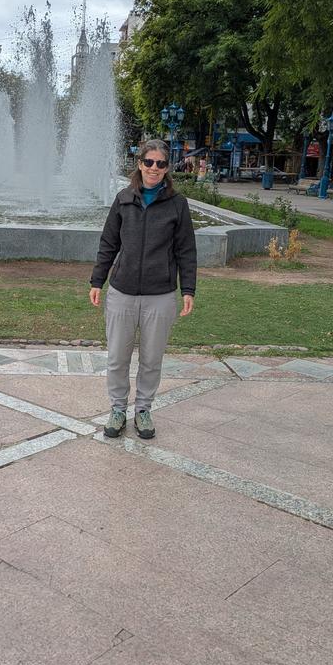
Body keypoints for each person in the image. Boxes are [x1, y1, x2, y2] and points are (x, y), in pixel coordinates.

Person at [89, 138, 197, 440]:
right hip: (122, 292)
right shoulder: (123, 199)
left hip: (160, 295)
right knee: (117, 357)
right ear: (139, 164)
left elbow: (186, 250)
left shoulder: (177, 204)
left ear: (167, 168)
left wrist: (188, 289)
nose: (154, 168)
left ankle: (144, 410)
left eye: (160, 163)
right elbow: (108, 243)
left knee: (151, 359)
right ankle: (117, 409)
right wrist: (97, 281)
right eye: (149, 162)